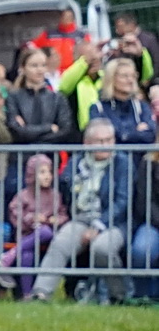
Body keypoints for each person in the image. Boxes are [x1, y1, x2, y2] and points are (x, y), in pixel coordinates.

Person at [29, 119, 131, 303]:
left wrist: (99, 226)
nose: (107, 145)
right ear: (87, 143)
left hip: (113, 221)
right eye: (100, 141)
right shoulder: (76, 162)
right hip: (80, 218)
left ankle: (121, 295)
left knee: (101, 248)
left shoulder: (122, 163)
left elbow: (122, 202)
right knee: (60, 242)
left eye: (110, 140)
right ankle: (41, 293)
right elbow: (64, 193)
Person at [0, 153, 67, 297]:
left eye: (50, 172)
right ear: (32, 174)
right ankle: (27, 294)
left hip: (49, 237)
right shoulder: (23, 195)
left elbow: (63, 214)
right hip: (27, 234)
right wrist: (31, 218)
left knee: (46, 231)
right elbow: (15, 214)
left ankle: (9, 257)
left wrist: (56, 219)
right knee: (26, 255)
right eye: (42, 172)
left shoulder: (55, 195)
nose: (47, 176)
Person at [5, 43, 70, 148]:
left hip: (50, 155)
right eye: (34, 66)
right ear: (23, 68)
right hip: (21, 157)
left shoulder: (57, 98)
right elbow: (16, 131)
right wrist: (49, 128)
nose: (40, 70)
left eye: (43, 65)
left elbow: (64, 131)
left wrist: (29, 133)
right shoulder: (13, 97)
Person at [88, 57, 155, 145]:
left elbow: (151, 135)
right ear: (111, 78)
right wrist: (135, 131)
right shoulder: (98, 108)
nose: (130, 80)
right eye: (125, 76)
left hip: (139, 158)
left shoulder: (141, 107)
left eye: (133, 76)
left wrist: (124, 134)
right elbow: (105, 137)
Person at [127, 147, 159, 305]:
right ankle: (142, 295)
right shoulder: (148, 163)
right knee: (141, 250)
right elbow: (144, 202)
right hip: (153, 222)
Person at [56, 37, 105, 139]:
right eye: (86, 58)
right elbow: (64, 86)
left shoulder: (105, 78)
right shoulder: (72, 79)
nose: (92, 62)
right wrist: (86, 60)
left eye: (95, 58)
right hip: (78, 136)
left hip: (104, 134)